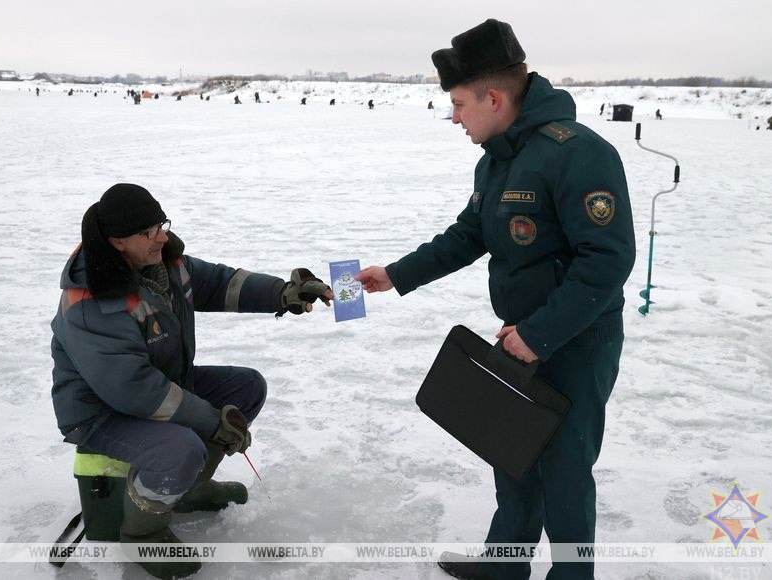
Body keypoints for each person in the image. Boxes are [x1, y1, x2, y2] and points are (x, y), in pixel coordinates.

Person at [356, 18, 635, 580]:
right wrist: (396, 274)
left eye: (459, 103)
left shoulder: (579, 153)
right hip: (521, 333)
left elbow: (607, 260)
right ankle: (505, 566)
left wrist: (539, 335)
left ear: (493, 96)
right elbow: (469, 234)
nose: (454, 117)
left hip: (575, 340)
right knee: (514, 455)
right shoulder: (498, 158)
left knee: (565, 469)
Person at [51, 184, 333, 578]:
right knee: (180, 447)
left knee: (246, 387)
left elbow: (221, 283)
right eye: (148, 233)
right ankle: (142, 532)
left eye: (161, 225)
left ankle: (187, 489)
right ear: (117, 242)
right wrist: (209, 420)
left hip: (159, 385)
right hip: (101, 411)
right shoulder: (92, 304)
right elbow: (135, 391)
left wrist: (283, 294)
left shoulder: (164, 264)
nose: (161, 237)